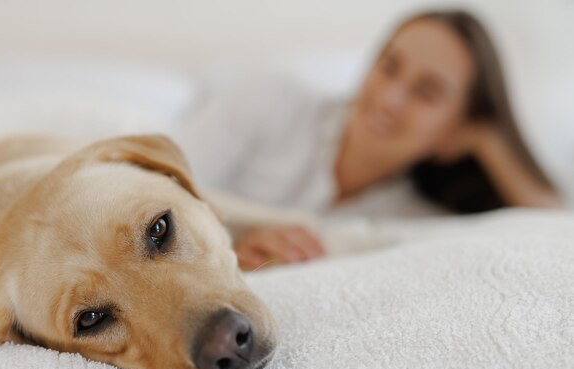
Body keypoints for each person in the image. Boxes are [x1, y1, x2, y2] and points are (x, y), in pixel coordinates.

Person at [173, 10, 562, 270]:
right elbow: (159, 186)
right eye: (389, 66)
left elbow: (555, 232)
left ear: (452, 136)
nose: (390, 98)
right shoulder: (271, 100)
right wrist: (232, 252)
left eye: (425, 92)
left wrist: (489, 139)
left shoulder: (417, 221)